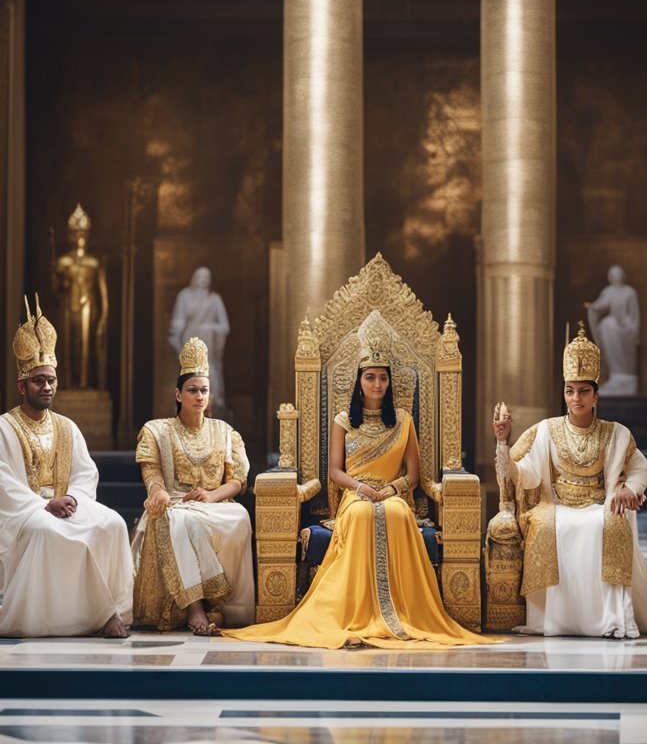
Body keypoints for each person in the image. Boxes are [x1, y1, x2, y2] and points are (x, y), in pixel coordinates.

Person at [224, 337, 495, 649]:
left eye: (382, 377)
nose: (377, 384)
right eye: (370, 377)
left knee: (394, 514)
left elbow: (414, 473)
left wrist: (393, 488)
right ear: (359, 381)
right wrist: (360, 487)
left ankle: (398, 612)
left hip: (393, 495)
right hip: (356, 494)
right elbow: (335, 472)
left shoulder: (403, 421)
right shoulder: (344, 420)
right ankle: (354, 612)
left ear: (389, 382)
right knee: (361, 514)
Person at [0, 296, 133, 637]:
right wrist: (43, 504)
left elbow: (85, 473)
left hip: (67, 504)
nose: (46, 387)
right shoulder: (0, 429)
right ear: (22, 385)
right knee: (47, 532)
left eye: (51, 380)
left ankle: (110, 612)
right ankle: (50, 619)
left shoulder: (66, 426)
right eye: (38, 381)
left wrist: (74, 498)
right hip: (25, 512)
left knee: (113, 524)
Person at [492, 325, 647, 637]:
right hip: (557, 506)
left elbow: (641, 469)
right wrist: (503, 444)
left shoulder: (615, 432)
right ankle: (556, 621)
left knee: (610, 522)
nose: (576, 398)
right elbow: (525, 474)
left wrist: (627, 489)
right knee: (553, 526)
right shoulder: (548, 430)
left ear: (596, 395)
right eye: (570, 391)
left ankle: (612, 619)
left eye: (583, 391)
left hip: (599, 503)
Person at [131, 337, 253, 634]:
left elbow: (238, 481)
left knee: (241, 516)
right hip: (175, 504)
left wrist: (212, 496)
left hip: (215, 504)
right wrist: (157, 492)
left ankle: (230, 605)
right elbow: (152, 472)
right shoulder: (157, 430)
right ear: (178, 394)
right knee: (181, 520)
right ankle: (196, 605)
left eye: (204, 390)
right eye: (192, 390)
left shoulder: (224, 431)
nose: (199, 396)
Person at [53, 203, 109, 390]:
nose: (79, 237)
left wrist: (103, 317)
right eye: (76, 233)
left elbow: (103, 293)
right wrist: (60, 280)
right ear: (70, 235)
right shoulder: (63, 262)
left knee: (86, 344)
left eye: (83, 233)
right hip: (68, 305)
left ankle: (85, 381)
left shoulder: (93, 263)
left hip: (88, 305)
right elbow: (56, 290)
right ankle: (67, 382)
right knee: (67, 345)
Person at [167, 267, 230, 412]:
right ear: (194, 278)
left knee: (211, 378)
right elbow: (177, 324)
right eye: (201, 277)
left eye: (207, 278)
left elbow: (225, 326)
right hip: (189, 344)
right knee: (189, 379)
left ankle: (211, 410)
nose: (204, 281)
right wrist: (177, 343)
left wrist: (209, 327)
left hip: (209, 347)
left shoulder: (214, 299)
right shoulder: (184, 296)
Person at [587, 265, 641, 395]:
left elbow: (634, 315)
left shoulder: (629, 292)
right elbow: (599, 305)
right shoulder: (608, 291)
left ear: (623, 276)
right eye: (614, 274)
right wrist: (592, 307)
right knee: (607, 324)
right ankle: (614, 374)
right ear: (610, 278)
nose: (617, 277)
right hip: (613, 327)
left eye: (619, 274)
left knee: (610, 325)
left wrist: (628, 325)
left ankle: (623, 375)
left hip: (626, 328)